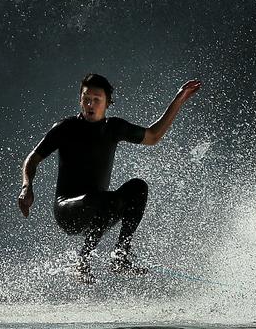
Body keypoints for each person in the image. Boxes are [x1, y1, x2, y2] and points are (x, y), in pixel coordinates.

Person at [18, 74, 202, 282]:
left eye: (96, 99)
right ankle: (82, 262)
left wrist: (178, 100)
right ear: (80, 100)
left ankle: (120, 256)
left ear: (107, 103)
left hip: (101, 206)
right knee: (102, 198)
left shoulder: (114, 128)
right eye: (86, 98)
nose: (90, 104)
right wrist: (27, 186)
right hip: (69, 211)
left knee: (137, 187)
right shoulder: (65, 128)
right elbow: (32, 158)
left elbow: (153, 136)